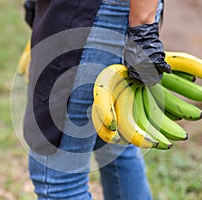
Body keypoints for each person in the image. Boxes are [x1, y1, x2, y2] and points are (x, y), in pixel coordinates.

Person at [22, 0, 170, 199]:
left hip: (95, 14)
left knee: (58, 180)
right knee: (115, 146)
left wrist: (143, 27)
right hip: (99, 14)